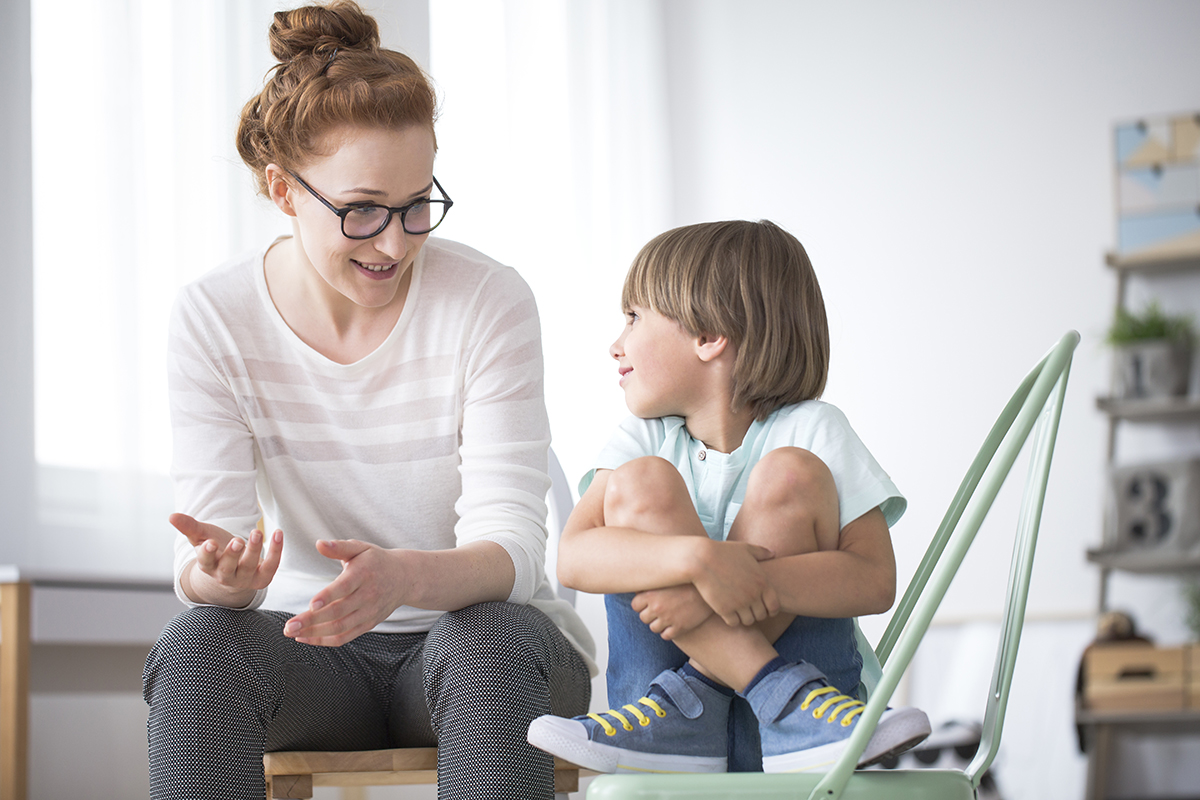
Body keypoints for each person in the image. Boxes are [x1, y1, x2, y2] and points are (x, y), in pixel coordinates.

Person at [140, 3, 594, 799]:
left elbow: (515, 555)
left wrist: (406, 579)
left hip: (486, 655)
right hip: (315, 659)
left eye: (418, 203)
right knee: (198, 645)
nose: (395, 242)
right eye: (361, 210)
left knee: (486, 637)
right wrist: (224, 576)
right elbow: (204, 565)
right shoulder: (213, 317)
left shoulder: (487, 299)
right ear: (283, 190)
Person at [527, 220, 929, 774]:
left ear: (708, 335)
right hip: (663, 738)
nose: (615, 343)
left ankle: (745, 702)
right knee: (643, 482)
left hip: (811, 739)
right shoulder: (642, 439)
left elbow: (874, 579)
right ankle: (766, 693)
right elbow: (573, 559)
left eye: (634, 317)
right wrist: (700, 562)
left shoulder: (814, 430)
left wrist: (743, 584)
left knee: (790, 474)